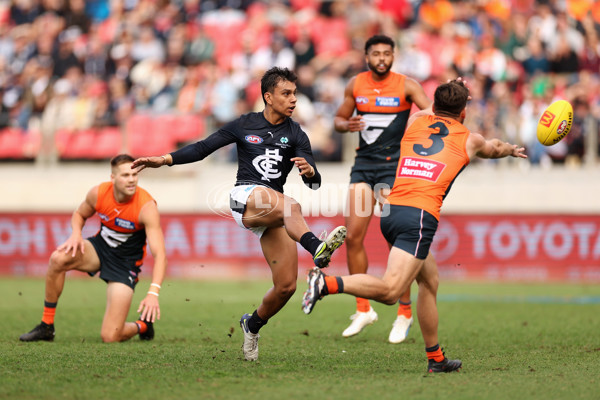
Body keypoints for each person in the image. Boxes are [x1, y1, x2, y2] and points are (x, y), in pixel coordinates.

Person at [302, 79, 527, 373]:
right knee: (390, 291)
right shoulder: (469, 138)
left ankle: (436, 358)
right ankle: (327, 283)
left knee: (429, 282)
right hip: (419, 217)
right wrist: (509, 149)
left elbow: (437, 107)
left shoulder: (416, 121)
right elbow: (493, 148)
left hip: (392, 210)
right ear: (463, 112)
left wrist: (449, 93)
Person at [131, 67, 346, 362]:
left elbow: (314, 182)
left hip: (273, 211)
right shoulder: (244, 124)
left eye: (295, 93)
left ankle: (252, 324)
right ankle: (317, 249)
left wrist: (311, 172)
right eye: (287, 93)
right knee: (291, 205)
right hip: (245, 197)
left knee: (286, 286)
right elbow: (203, 148)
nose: (294, 99)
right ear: (268, 97)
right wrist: (165, 159)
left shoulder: (297, 133)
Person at [333, 34, 432, 342]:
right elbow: (338, 117)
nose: (381, 58)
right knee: (353, 236)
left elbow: (433, 116)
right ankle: (364, 310)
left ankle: (404, 312)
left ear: (393, 56)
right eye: (375, 53)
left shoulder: (407, 86)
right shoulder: (356, 85)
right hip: (363, 167)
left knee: (395, 239)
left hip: (393, 171)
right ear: (367, 57)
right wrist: (344, 125)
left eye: (386, 53)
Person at [20, 154, 167, 343]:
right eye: (125, 175)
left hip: (125, 264)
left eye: (134, 175)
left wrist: (153, 293)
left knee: (110, 336)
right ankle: (47, 326)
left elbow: (160, 255)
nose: (131, 180)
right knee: (58, 258)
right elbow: (79, 214)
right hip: (99, 249)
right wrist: (76, 234)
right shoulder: (98, 193)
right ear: (113, 178)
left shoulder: (146, 207)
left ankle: (143, 325)